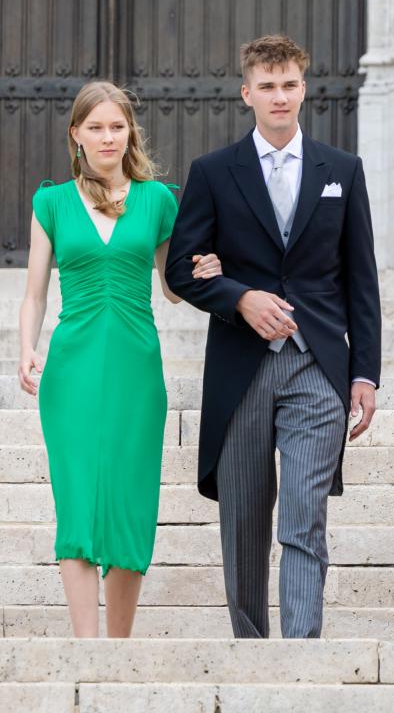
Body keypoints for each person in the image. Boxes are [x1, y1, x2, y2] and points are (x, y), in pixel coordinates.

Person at [165, 34, 382, 638]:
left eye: (289, 85)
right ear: (247, 93)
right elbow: (180, 268)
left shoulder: (342, 170)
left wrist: (364, 374)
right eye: (267, 86)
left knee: (303, 516)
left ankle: (300, 654)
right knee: (244, 521)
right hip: (242, 368)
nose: (279, 96)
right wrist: (239, 296)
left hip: (317, 366)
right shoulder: (213, 172)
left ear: (303, 89)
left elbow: (362, 281)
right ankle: (252, 651)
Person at [18, 81, 221, 637]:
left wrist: (201, 272)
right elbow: (35, 292)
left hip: (136, 365)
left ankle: (119, 650)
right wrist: (25, 348)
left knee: (130, 499)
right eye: (96, 127)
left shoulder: (157, 200)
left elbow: (172, 288)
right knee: (79, 497)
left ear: (129, 131)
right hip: (72, 367)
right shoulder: (51, 202)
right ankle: (86, 650)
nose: (108, 136)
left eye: (117, 125)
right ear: (75, 135)